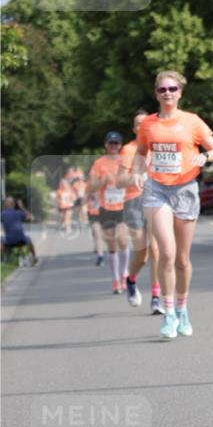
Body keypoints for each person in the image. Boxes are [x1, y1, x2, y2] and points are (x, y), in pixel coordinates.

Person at [129, 70, 213, 339]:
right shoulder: (148, 124)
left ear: (180, 92)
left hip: (185, 189)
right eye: (162, 90)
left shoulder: (192, 122)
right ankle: (168, 313)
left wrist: (205, 157)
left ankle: (182, 308)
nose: (167, 93)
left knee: (182, 258)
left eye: (172, 89)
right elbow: (140, 153)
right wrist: (138, 171)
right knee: (166, 253)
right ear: (156, 93)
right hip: (157, 190)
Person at [117, 108, 164, 314]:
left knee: (156, 250)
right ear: (134, 128)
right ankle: (131, 279)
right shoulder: (128, 150)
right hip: (133, 202)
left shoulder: (159, 147)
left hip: (155, 200)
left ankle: (156, 297)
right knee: (142, 255)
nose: (143, 126)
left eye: (146, 123)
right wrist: (138, 176)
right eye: (139, 124)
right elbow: (119, 181)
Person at [88, 132, 130, 294]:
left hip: (123, 206)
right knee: (112, 245)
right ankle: (115, 279)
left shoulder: (125, 161)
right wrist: (102, 182)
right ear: (106, 145)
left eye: (116, 144)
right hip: (106, 208)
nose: (114, 146)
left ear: (120, 145)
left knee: (123, 240)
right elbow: (91, 187)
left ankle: (124, 273)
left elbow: (133, 180)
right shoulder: (99, 163)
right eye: (111, 143)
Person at [1, 196, 38, 264]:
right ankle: (34, 257)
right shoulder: (19, 213)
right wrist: (22, 207)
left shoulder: (3, 214)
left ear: (6, 204)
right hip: (21, 240)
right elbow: (32, 217)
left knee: (1, 240)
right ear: (14, 204)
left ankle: (4, 258)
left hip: (9, 241)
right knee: (29, 240)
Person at [86, 189, 105, 266]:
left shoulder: (106, 184)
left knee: (103, 234)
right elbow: (84, 200)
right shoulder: (90, 186)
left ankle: (98, 247)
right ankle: (100, 257)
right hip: (93, 213)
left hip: (104, 212)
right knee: (97, 234)